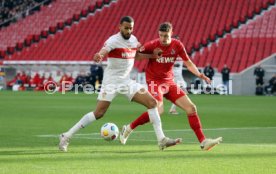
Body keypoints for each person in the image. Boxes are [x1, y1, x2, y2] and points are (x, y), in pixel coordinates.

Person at [59, 16, 181, 152]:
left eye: (131, 28)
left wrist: (152, 56)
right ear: (120, 27)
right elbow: (104, 50)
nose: (128, 30)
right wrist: (99, 55)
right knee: (99, 113)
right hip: (111, 83)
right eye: (126, 28)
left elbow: (137, 55)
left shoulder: (134, 40)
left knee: (152, 103)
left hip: (126, 81)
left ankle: (161, 140)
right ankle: (66, 136)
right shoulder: (113, 40)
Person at [120, 22, 222, 151]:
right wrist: (151, 55)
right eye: (161, 35)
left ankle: (203, 141)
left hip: (169, 82)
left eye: (166, 36)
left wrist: (200, 75)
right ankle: (129, 128)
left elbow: (188, 63)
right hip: (154, 81)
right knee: (159, 111)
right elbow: (136, 56)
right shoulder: (152, 45)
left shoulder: (177, 45)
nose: (163, 38)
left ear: (171, 33)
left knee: (191, 108)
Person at [169, 35, 187, 115]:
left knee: (183, 91)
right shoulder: (170, 51)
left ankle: (172, 109)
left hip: (179, 77)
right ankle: (172, 109)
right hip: (173, 77)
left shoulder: (181, 50)